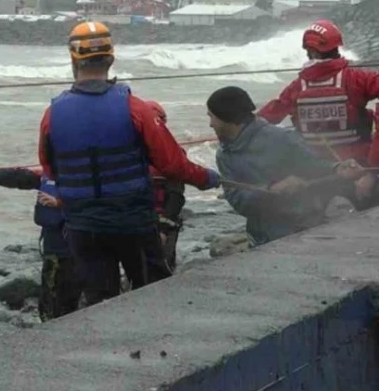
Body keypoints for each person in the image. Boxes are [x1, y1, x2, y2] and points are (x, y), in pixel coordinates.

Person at [38, 21, 221, 307]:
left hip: (83, 227)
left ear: (74, 59)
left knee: (100, 299)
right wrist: (207, 178)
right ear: (111, 57)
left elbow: (49, 167)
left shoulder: (52, 114)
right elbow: (172, 164)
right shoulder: (136, 109)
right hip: (132, 222)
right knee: (152, 293)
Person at [209, 86, 364, 247]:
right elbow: (237, 201)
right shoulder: (224, 154)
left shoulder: (281, 138)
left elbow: (314, 165)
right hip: (261, 235)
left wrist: (338, 168)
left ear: (227, 117)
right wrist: (271, 190)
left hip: (304, 229)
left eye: (212, 117)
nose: (210, 124)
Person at [256, 20, 379, 206]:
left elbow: (266, 118)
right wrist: (372, 170)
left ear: (311, 51)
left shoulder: (297, 87)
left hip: (315, 173)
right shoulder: (357, 78)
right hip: (360, 169)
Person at [0, 168, 83, 321]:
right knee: (50, 304)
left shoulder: (85, 175)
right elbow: (18, 177)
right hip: (54, 253)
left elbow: (98, 199)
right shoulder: (47, 175)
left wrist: (59, 203)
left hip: (80, 251)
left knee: (74, 301)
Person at [145, 100, 186, 272]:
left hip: (163, 221)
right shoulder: (133, 152)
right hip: (139, 221)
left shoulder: (173, 154)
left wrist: (163, 229)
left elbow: (176, 196)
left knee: (164, 267)